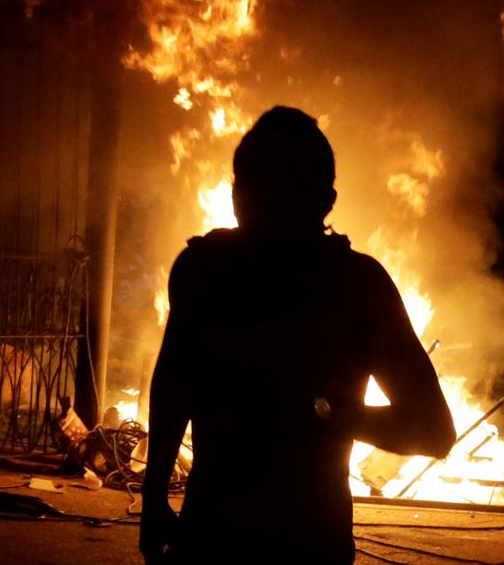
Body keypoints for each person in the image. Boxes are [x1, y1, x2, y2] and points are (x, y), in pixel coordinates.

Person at [140, 106, 455, 563]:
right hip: (221, 540)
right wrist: (152, 497)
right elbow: (174, 383)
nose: (266, 207)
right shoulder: (206, 270)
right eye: (255, 188)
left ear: (323, 201)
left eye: (284, 191)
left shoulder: (353, 287)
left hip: (294, 544)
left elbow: (434, 430)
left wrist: (322, 411)